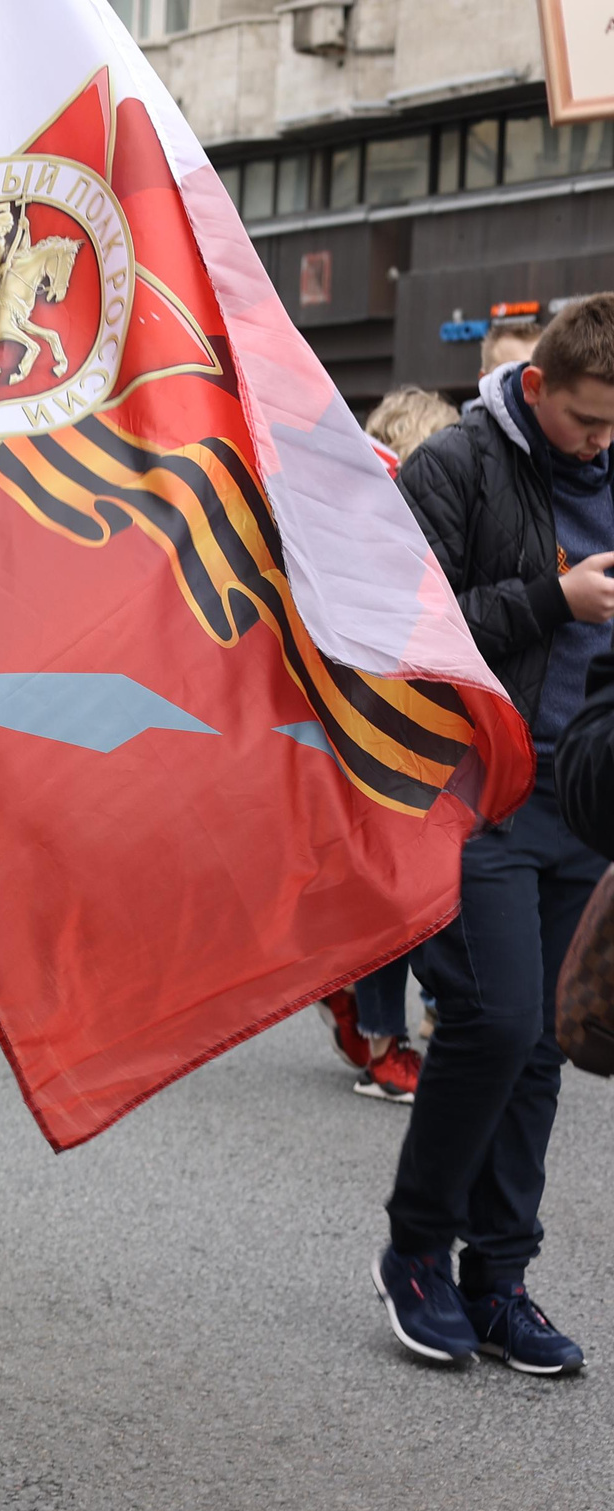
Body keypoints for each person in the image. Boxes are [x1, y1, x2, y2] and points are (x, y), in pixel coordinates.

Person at [371, 295, 614, 1378]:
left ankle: (500, 1276)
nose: (600, 443)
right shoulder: (459, 465)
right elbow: (399, 630)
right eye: (584, 421)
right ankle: (416, 1251)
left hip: (583, 803)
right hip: (472, 792)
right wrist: (552, 601)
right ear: (535, 388)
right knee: (495, 1020)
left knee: (546, 1044)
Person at [319, 387, 458, 1102]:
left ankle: (366, 1010)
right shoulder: (380, 522)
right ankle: (381, 1035)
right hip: (384, 729)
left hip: (397, 729)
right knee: (400, 896)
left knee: (394, 891)